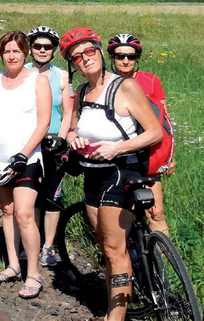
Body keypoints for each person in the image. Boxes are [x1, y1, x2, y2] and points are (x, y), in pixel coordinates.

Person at [60, 27, 163, 321]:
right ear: (73, 64)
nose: (85, 59)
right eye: (77, 56)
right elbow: (71, 130)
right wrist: (73, 140)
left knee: (113, 248)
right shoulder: (82, 92)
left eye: (89, 51)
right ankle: (124, 293)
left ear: (99, 52)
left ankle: (115, 318)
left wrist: (117, 148)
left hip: (121, 171)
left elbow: (154, 132)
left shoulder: (124, 88)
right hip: (93, 172)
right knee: (107, 247)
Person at [0, 31, 51, 299]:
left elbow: (43, 123)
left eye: (17, 51)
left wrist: (24, 153)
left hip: (27, 160)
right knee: (7, 211)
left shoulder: (38, 81)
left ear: (25, 53)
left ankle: (34, 274)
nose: (11, 55)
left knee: (24, 214)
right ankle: (13, 265)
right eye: (7, 51)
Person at [107, 33, 172, 235]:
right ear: (111, 57)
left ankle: (162, 264)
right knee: (121, 213)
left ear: (137, 58)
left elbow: (165, 121)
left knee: (155, 212)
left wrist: (170, 158)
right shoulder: (106, 82)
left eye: (131, 56)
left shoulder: (151, 81)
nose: (126, 61)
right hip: (116, 154)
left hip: (147, 155)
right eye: (119, 56)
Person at [24, 26, 72, 267]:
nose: (42, 50)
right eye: (37, 46)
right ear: (30, 48)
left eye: (47, 47)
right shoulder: (21, 73)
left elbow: (69, 111)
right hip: (28, 140)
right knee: (30, 194)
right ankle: (30, 242)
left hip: (53, 140)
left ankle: (48, 246)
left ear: (53, 50)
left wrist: (61, 138)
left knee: (53, 196)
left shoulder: (62, 76)